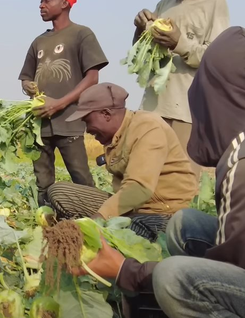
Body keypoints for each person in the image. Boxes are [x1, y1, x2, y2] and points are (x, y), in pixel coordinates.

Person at [85, 27, 245, 318]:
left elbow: (228, 268)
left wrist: (127, 271)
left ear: (216, 94)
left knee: (175, 279)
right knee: (185, 224)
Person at [47, 83, 196, 241]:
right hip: (131, 209)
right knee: (59, 192)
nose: (87, 129)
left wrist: (100, 217)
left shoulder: (148, 127)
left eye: (87, 121)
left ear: (106, 114)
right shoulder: (114, 137)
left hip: (163, 213)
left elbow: (139, 187)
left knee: (132, 231)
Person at [133, 0, 230, 178]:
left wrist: (178, 42)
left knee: (181, 177)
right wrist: (139, 29)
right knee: (147, 173)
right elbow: (143, 54)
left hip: (187, 107)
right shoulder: (165, 4)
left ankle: (180, 217)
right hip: (154, 104)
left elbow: (216, 58)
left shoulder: (214, 2)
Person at [18, 0, 109, 205]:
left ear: (65, 2)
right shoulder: (39, 41)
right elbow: (25, 77)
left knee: (80, 177)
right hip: (40, 125)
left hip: (69, 121)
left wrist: (58, 104)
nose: (41, 4)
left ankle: (96, 221)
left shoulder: (81, 34)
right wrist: (27, 85)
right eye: (41, 0)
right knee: (43, 182)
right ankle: (48, 221)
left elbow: (92, 77)